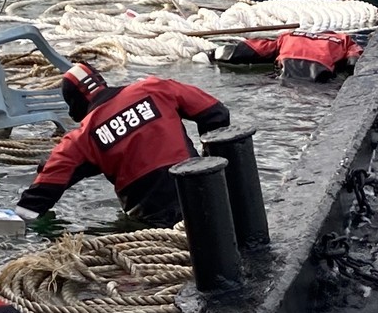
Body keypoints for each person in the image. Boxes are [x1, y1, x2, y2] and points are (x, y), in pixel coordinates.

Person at [15, 62, 230, 227]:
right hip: (201, 192)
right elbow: (216, 113)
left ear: (75, 108)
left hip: (151, 220)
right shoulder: (154, 88)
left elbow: (36, 200)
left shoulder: (80, 139)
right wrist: (209, 166)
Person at [214, 29, 364, 82]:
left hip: (288, 70)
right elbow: (353, 60)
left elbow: (257, 49)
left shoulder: (290, 35)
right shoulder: (343, 39)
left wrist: (215, 53)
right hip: (319, 74)